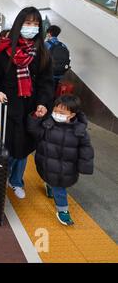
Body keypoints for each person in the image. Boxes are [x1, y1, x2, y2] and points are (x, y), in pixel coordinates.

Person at [0, 6, 54, 199]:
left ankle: (16, 181)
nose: (32, 27)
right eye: (28, 23)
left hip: (32, 110)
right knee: (9, 146)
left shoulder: (42, 53)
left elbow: (47, 82)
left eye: (36, 24)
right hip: (9, 108)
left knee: (24, 147)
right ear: (19, 25)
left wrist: (44, 103)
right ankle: (2, 176)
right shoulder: (4, 51)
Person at [27, 94, 94, 225]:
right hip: (47, 162)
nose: (57, 114)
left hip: (65, 168)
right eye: (55, 111)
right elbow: (34, 131)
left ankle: (62, 210)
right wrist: (36, 117)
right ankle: (49, 186)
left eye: (61, 112)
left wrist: (85, 166)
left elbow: (86, 149)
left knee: (60, 189)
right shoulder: (48, 124)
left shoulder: (79, 132)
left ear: (72, 115)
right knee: (52, 181)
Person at [45, 25, 71, 93]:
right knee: (53, 90)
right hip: (59, 74)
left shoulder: (46, 44)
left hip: (47, 74)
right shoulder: (63, 45)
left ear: (49, 33)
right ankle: (52, 101)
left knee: (44, 91)